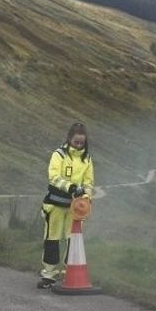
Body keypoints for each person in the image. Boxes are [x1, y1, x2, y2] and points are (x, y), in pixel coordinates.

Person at [38, 123, 94, 288]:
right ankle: (49, 274)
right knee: (52, 239)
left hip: (74, 208)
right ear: (69, 138)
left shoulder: (87, 159)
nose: (78, 145)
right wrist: (69, 187)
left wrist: (84, 197)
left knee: (73, 240)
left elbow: (89, 183)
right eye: (76, 141)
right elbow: (53, 176)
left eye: (81, 143)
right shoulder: (59, 155)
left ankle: (69, 272)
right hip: (54, 204)